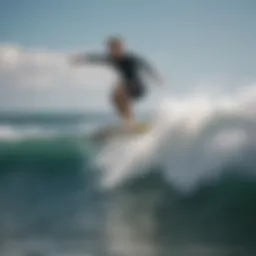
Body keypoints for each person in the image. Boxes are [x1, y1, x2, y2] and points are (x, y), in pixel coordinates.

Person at [70, 36, 162, 130]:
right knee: (115, 97)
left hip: (139, 86)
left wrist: (156, 77)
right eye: (111, 48)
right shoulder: (112, 59)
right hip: (126, 87)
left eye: (117, 47)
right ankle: (127, 121)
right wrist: (82, 59)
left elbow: (145, 65)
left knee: (121, 90)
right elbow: (97, 58)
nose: (114, 50)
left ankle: (130, 123)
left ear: (123, 47)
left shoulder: (131, 58)